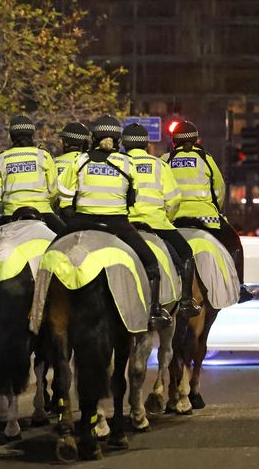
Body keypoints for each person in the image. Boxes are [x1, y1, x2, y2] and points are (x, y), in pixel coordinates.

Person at [57, 114, 171, 330]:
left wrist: (73, 215)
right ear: (118, 140)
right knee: (150, 262)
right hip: (118, 224)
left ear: (94, 137)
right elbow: (132, 198)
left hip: (82, 221)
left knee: (49, 256)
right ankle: (154, 311)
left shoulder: (79, 161)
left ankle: (40, 308)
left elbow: (65, 196)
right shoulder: (126, 162)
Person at [162, 121, 252, 302]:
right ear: (196, 140)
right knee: (234, 243)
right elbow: (219, 189)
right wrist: (216, 209)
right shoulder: (205, 159)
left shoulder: (165, 160)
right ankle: (240, 287)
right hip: (206, 219)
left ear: (174, 141)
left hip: (172, 220)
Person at [122, 123, 202, 317]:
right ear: (147, 144)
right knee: (186, 253)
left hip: (124, 225)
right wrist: (168, 218)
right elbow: (173, 199)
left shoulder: (117, 163)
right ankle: (185, 301)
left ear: (123, 143)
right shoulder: (159, 165)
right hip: (156, 224)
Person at [0, 115, 63, 234]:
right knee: (67, 240)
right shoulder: (43, 156)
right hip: (43, 212)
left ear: (11, 136)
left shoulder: (1, 159)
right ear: (32, 135)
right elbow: (54, 190)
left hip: (10, 213)